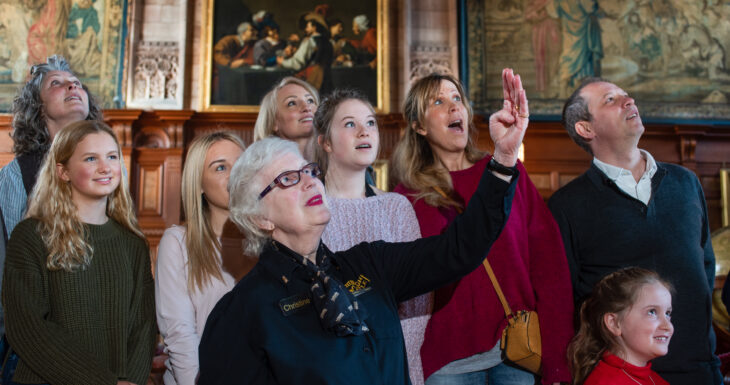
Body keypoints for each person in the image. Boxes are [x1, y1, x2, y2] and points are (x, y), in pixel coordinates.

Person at [197, 68, 528, 385]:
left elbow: (459, 249)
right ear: (259, 217)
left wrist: (502, 159)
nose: (310, 183)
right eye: (287, 179)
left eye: (309, 171)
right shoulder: (241, 314)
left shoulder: (369, 264)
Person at [391, 71, 573, 385]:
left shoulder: (506, 173)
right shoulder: (404, 198)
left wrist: (558, 360)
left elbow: (550, 265)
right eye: (438, 101)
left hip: (516, 351)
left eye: (457, 99)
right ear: (419, 126)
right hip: (445, 360)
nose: (453, 108)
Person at [548, 78, 721, 384]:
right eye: (610, 100)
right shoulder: (567, 205)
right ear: (586, 129)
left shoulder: (686, 182)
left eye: (626, 96)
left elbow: (704, 269)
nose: (629, 101)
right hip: (622, 377)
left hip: (698, 368)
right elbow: (563, 299)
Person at [2, 120, 156, 385]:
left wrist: (131, 381)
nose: (105, 167)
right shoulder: (32, 236)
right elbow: (28, 328)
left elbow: (143, 327)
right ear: (63, 171)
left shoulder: (133, 244)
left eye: (111, 156)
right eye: (90, 159)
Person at [313, 89, 426, 384]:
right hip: (329, 369)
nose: (365, 131)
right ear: (324, 142)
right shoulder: (307, 210)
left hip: (395, 367)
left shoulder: (397, 207)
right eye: (350, 124)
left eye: (371, 123)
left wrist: (395, 360)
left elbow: (418, 300)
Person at [0, 54, 103, 343]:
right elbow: (10, 263)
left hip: (98, 319)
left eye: (76, 83)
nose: (72, 87)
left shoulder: (110, 167)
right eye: (57, 83)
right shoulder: (14, 175)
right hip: (37, 327)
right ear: (38, 107)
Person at [155, 132, 245, 385]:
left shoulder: (273, 240)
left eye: (241, 163)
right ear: (199, 184)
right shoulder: (178, 242)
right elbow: (180, 335)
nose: (235, 174)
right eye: (220, 167)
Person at [568, 267, 673, 385]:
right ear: (614, 323)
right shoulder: (605, 382)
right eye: (652, 312)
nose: (668, 326)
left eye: (668, 313)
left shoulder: (654, 379)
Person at [253, 76, 319, 161]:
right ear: (273, 122)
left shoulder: (336, 160)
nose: (307, 107)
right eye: (292, 103)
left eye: (310, 101)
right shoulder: (265, 169)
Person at [277, 11, 333, 94]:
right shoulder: (329, 42)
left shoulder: (310, 41)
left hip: (311, 79)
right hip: (326, 82)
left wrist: (283, 62)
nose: (305, 29)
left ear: (314, 27)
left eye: (307, 26)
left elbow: (298, 63)